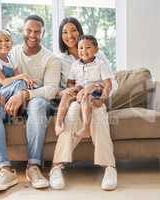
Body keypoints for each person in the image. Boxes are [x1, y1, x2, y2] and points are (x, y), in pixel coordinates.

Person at [0, 15, 61, 192]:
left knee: (36, 105)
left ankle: (33, 167)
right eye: (29, 30)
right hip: (8, 100)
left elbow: (51, 90)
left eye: (37, 31)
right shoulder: (11, 52)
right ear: (23, 31)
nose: (32, 34)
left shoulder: (51, 59)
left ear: (43, 33)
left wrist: (24, 94)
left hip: (36, 99)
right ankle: (5, 170)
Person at [49, 17, 117, 191]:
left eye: (73, 30)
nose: (69, 35)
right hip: (75, 98)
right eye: (64, 32)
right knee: (71, 115)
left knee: (98, 114)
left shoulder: (98, 57)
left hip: (94, 96)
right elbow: (56, 87)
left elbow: (112, 83)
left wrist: (95, 87)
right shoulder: (59, 59)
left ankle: (109, 167)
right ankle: (57, 166)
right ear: (60, 36)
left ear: (79, 31)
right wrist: (69, 91)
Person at [55, 35, 110, 138]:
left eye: (88, 47)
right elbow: (70, 82)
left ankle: (86, 128)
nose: (84, 50)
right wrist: (73, 88)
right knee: (66, 96)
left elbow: (108, 84)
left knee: (86, 97)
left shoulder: (100, 64)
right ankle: (58, 123)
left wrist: (102, 100)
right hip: (80, 90)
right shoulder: (75, 65)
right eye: (81, 48)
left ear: (96, 50)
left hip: (94, 91)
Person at [0, 29, 36, 110]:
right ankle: (17, 111)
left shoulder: (11, 60)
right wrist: (23, 76)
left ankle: (17, 110)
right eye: (0, 41)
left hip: (6, 91)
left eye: (7, 40)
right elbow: (3, 81)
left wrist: (28, 81)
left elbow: (18, 79)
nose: (4, 43)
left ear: (11, 43)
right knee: (20, 83)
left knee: (22, 84)